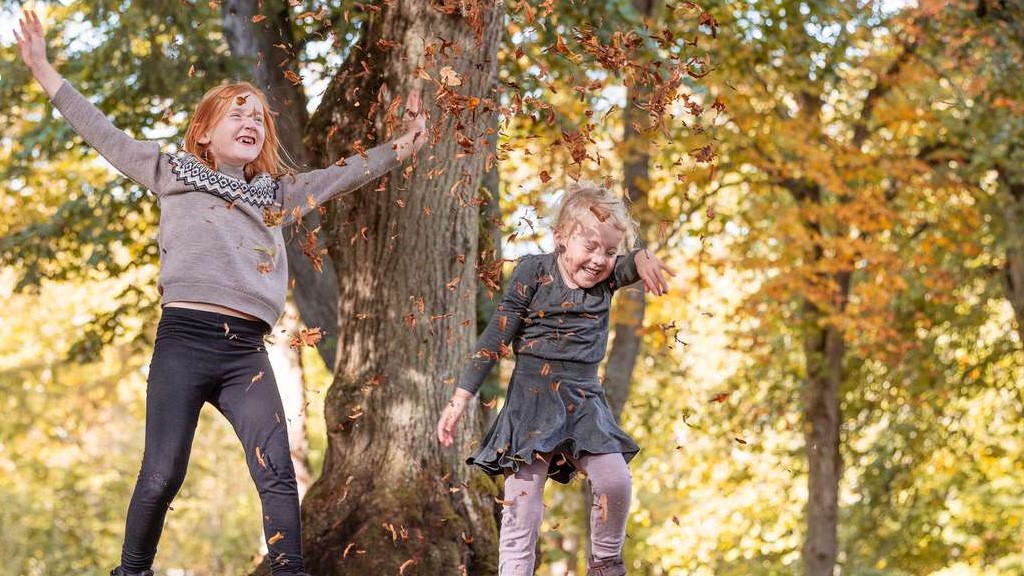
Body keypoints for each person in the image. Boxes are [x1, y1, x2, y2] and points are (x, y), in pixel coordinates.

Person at [15, 9, 426, 576]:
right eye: (237, 112)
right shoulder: (169, 171)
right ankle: (132, 570)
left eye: (258, 115)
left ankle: (289, 569)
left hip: (246, 355)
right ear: (204, 131)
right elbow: (101, 131)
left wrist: (403, 146)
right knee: (161, 474)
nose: (250, 119)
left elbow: (344, 173)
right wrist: (42, 69)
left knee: (276, 469)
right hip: (183, 342)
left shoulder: (278, 195)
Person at [436, 182, 674, 576]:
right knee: (522, 510)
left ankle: (605, 566)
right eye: (591, 246)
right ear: (560, 238)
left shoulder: (606, 280)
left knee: (615, 481)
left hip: (584, 403)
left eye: (610, 251)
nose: (599, 259)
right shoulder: (533, 271)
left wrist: (643, 255)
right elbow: (496, 336)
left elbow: (633, 261)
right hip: (530, 404)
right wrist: (461, 397)